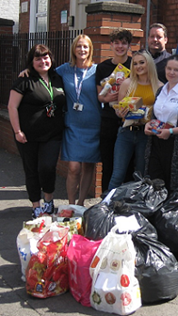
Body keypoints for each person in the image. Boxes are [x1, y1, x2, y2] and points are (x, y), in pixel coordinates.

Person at [8, 44, 66, 218]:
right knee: (31, 170)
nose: (43, 61)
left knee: (47, 167)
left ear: (51, 58)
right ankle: (36, 206)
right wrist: (17, 131)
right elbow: (12, 106)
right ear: (31, 62)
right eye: (38, 58)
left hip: (53, 134)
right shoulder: (24, 80)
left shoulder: (57, 78)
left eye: (45, 57)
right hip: (28, 136)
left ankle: (48, 201)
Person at [108, 50, 163, 190]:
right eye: (135, 63)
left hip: (146, 135)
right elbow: (118, 110)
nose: (138, 66)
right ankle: (106, 206)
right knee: (117, 174)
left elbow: (162, 113)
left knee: (141, 175)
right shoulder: (127, 83)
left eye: (142, 62)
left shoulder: (159, 86)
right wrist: (121, 112)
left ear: (149, 64)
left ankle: (136, 207)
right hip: (126, 132)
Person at [145, 55, 178, 193]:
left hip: (175, 146)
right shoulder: (161, 90)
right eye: (169, 68)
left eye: (176, 70)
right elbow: (155, 117)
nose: (171, 72)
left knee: (172, 187)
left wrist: (170, 132)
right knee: (154, 184)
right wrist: (148, 125)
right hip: (156, 143)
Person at [56, 34, 101, 206]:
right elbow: (43, 72)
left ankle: (81, 204)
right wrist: (28, 71)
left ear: (90, 50)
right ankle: (71, 203)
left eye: (85, 47)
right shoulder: (64, 69)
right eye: (79, 46)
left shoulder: (97, 71)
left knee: (89, 166)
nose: (82, 50)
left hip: (93, 124)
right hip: (73, 125)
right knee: (74, 167)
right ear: (73, 49)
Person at [96, 28, 134, 193]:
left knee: (129, 166)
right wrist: (107, 98)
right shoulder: (102, 67)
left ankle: (126, 205)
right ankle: (106, 203)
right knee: (109, 165)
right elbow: (99, 96)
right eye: (116, 43)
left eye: (123, 43)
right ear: (111, 45)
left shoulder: (135, 64)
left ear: (128, 45)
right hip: (109, 121)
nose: (120, 46)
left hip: (130, 121)